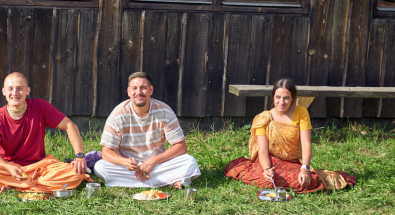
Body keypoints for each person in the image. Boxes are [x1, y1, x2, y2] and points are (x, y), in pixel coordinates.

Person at [224, 78, 356, 192]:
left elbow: (306, 144)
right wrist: (266, 169)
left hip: (292, 162)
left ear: (293, 98)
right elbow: (262, 151)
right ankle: (260, 172)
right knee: (270, 179)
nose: (281, 102)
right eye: (278, 97)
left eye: (286, 98)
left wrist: (305, 168)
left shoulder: (301, 112)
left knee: (306, 180)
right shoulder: (263, 119)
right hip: (270, 160)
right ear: (273, 97)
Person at [0, 72, 91, 193]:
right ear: (4, 91)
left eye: (19, 88)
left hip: (40, 166)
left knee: (76, 174)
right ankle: (37, 186)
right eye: (10, 88)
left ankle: (16, 186)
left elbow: (70, 126)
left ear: (27, 91)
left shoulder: (40, 106)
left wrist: (80, 157)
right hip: (11, 168)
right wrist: (7, 166)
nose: (15, 93)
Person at [93, 72, 201, 189]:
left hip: (157, 164)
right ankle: (164, 181)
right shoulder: (118, 115)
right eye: (134, 88)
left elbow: (181, 146)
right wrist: (125, 162)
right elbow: (106, 151)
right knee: (100, 167)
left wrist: (152, 161)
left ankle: (138, 183)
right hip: (129, 167)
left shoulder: (164, 111)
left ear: (151, 90)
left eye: (143, 88)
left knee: (190, 161)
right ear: (129, 92)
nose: (138, 92)